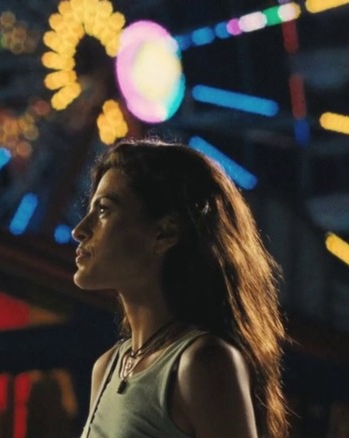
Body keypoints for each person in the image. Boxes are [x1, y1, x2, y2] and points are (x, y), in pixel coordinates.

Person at [72, 139, 288, 437]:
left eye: (104, 210)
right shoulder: (107, 367)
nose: (80, 230)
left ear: (165, 232)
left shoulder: (203, 362)